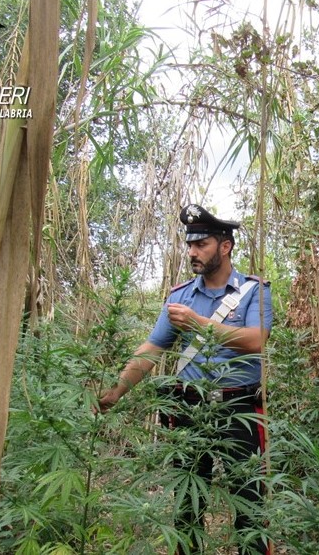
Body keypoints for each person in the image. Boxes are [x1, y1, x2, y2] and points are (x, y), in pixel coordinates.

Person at [97, 204, 273, 555]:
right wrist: (115, 392)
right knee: (188, 502)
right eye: (189, 244)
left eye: (201, 244)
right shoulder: (179, 297)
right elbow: (152, 347)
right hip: (188, 406)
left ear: (225, 247)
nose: (192, 252)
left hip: (240, 407)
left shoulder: (254, 291)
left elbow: (256, 341)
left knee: (249, 499)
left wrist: (198, 324)